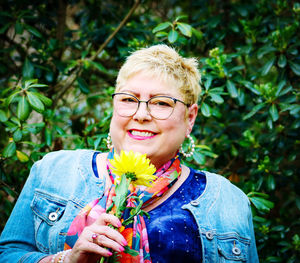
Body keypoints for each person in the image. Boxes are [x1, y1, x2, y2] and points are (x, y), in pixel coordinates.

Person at [0, 45, 259, 263]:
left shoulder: (227, 201)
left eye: (161, 103)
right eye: (128, 99)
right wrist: (65, 260)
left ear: (190, 117)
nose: (141, 114)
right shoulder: (53, 171)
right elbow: (7, 254)